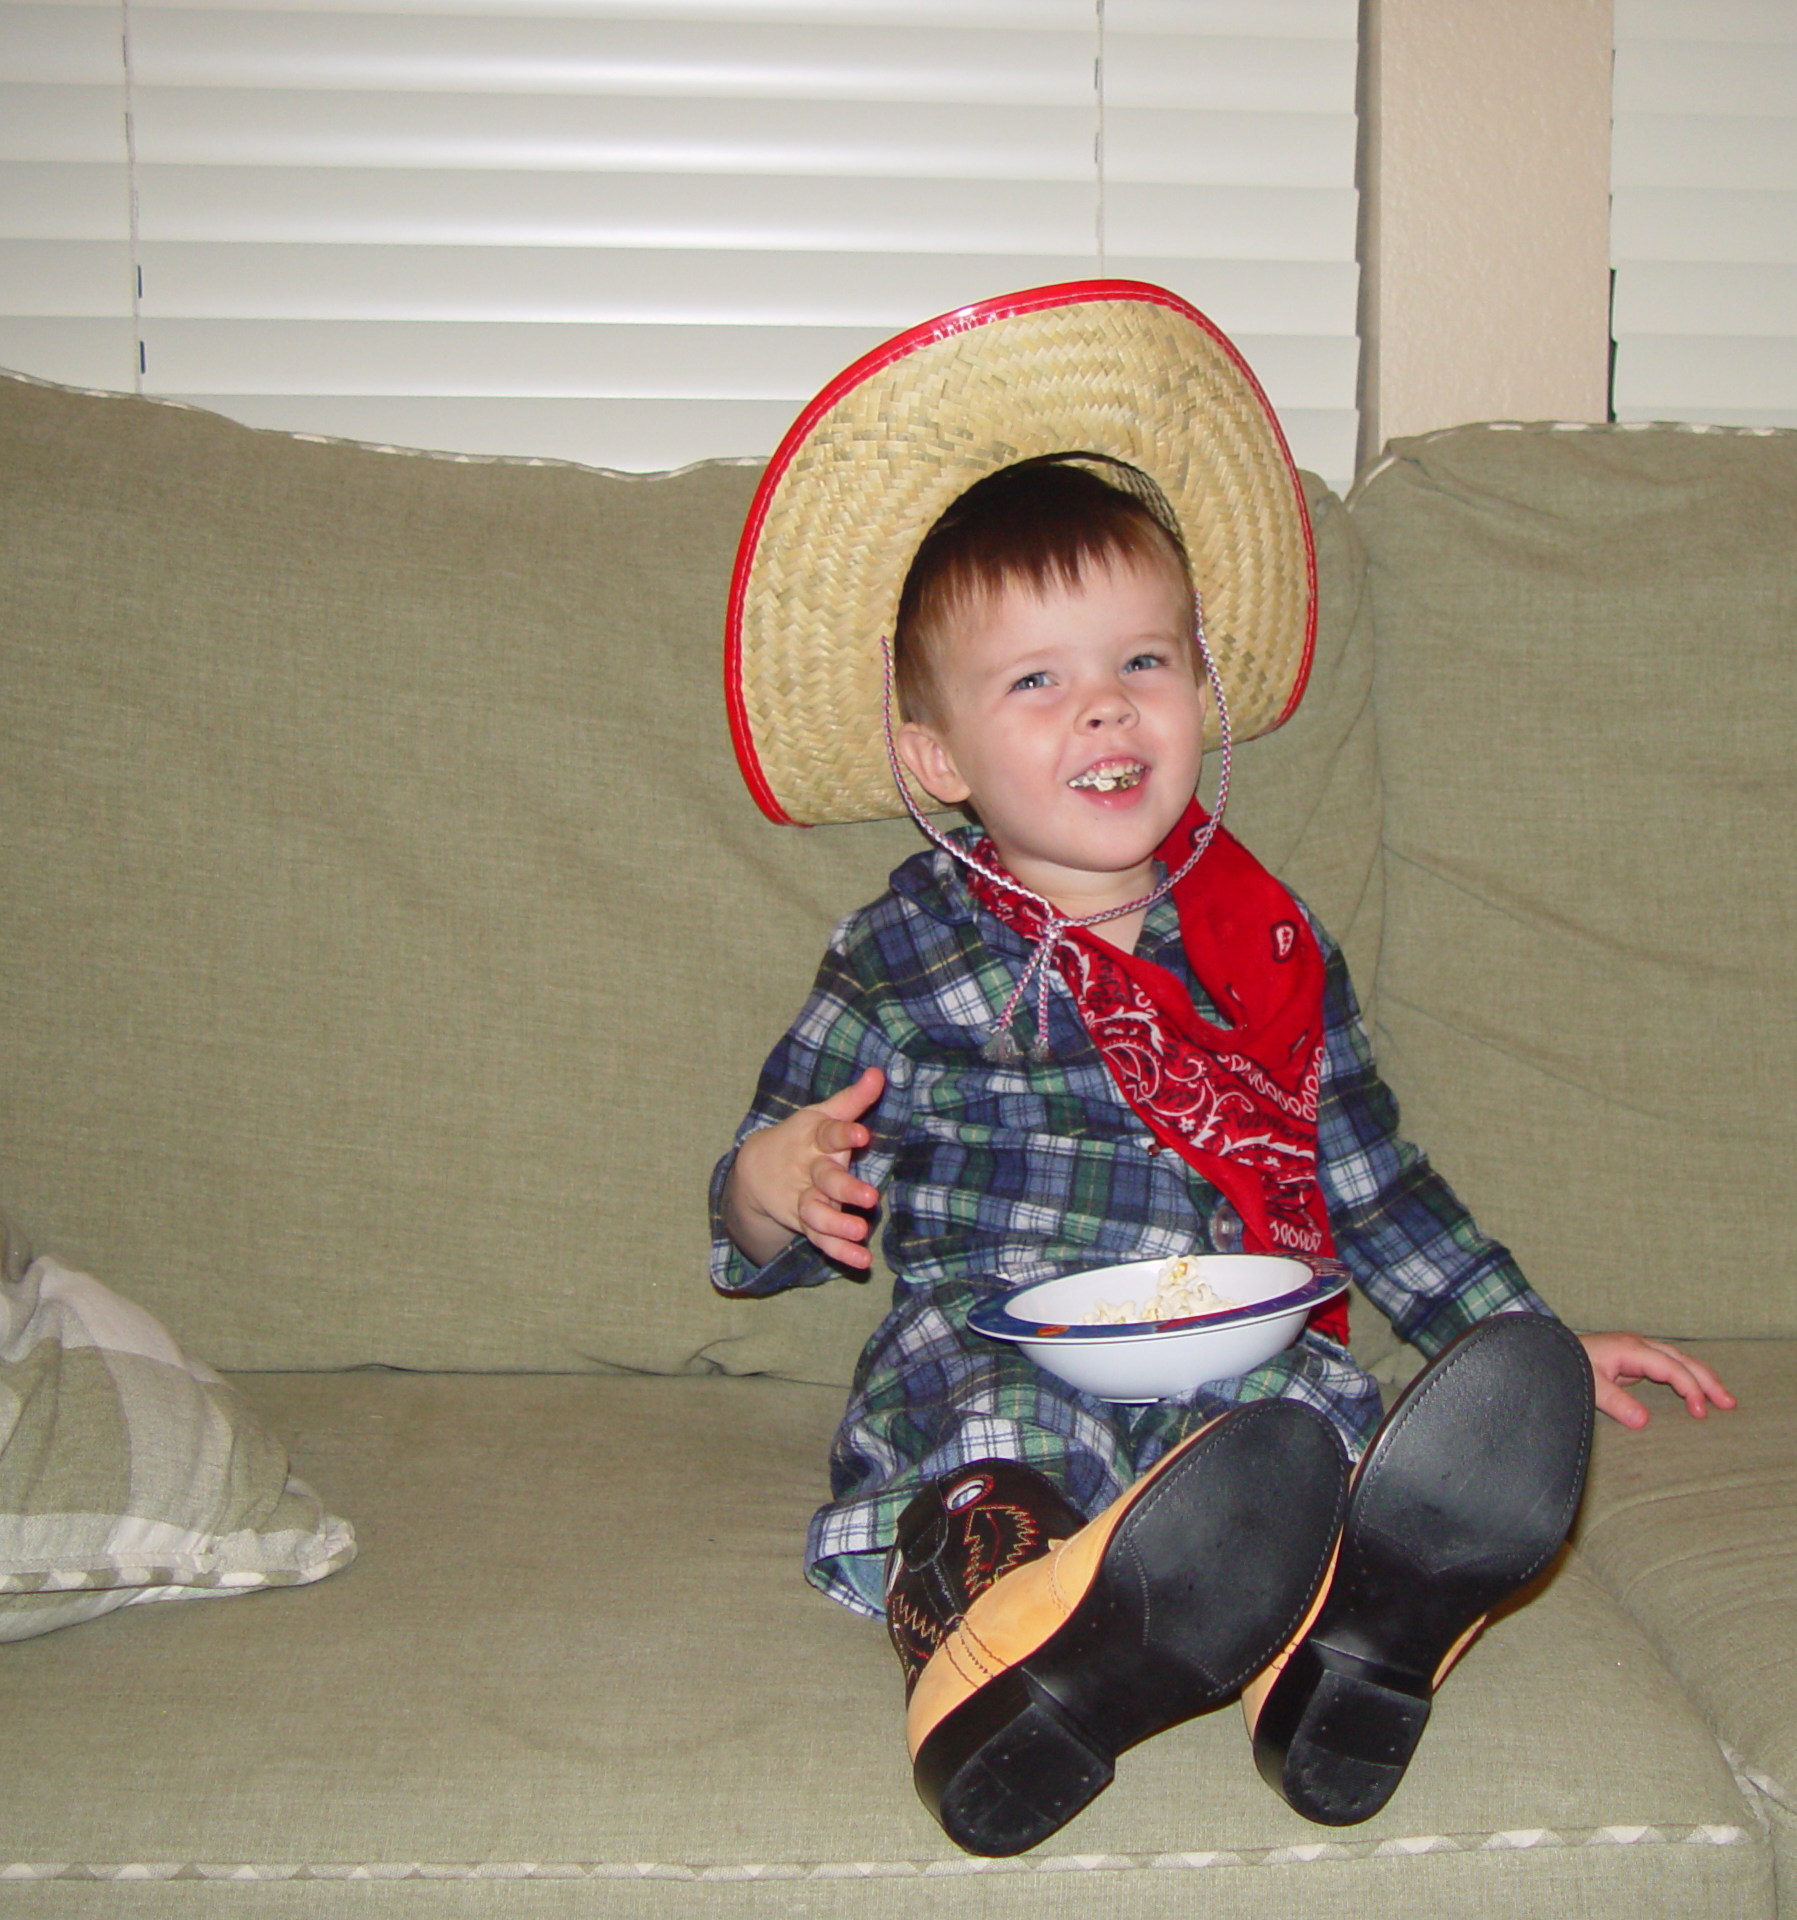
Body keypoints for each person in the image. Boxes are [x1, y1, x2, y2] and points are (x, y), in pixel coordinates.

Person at [711, 283, 1733, 1858]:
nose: (1106, 706)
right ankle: (1007, 1666)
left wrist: (1518, 1339)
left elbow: (1375, 1185)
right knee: (990, 1451)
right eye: (1035, 682)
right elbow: (765, 1195)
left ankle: (1339, 1657)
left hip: (1226, 1351)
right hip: (1003, 1335)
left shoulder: (1262, 943)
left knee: (1305, 1440)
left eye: (1143, 660)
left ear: (1202, 689)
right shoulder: (904, 951)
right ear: (937, 760)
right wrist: (777, 1186)